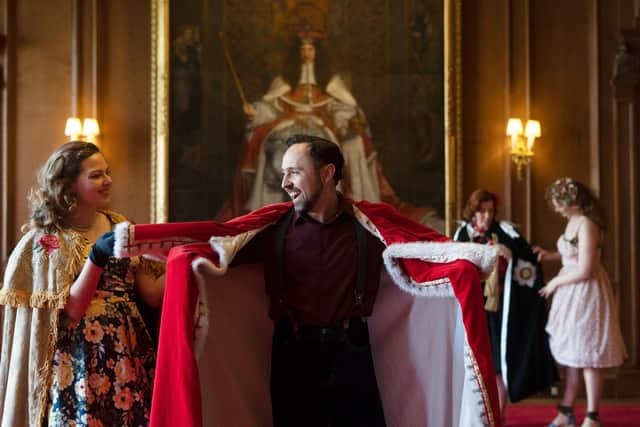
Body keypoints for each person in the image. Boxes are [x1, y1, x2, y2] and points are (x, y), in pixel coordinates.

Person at [114, 134, 502, 427]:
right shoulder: (271, 230)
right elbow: (211, 242)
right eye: (282, 173)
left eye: (294, 172)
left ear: (329, 173)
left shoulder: (369, 226)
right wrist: (140, 242)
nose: (284, 182)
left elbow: (429, 251)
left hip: (352, 351)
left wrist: (472, 265)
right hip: (292, 355)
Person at [0, 142, 165, 426]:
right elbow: (72, 311)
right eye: (96, 175)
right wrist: (97, 256)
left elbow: (151, 294)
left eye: (107, 172)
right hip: (80, 356)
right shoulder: (48, 240)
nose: (108, 180)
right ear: (69, 185)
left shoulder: (120, 225)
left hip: (128, 350)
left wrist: (187, 262)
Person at [223, 36, 440, 229]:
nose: (306, 53)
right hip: (286, 133)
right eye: (303, 49)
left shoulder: (330, 85)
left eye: (310, 49)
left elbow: (347, 109)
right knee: (273, 149)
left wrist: (342, 119)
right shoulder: (283, 84)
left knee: (330, 148)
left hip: (322, 133)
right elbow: (270, 107)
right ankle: (269, 215)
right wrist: (255, 111)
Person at [453, 189, 557, 423]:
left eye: (490, 210)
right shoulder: (462, 233)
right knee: (473, 364)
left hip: (500, 313)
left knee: (498, 366)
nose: (487, 216)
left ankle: (497, 418)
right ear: (473, 210)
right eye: (482, 210)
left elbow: (528, 264)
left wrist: (509, 258)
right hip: (470, 309)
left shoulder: (505, 232)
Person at [533, 177, 627, 427]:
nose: (555, 207)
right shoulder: (572, 222)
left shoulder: (587, 225)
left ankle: (592, 416)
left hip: (586, 293)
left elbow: (585, 268)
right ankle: (566, 411)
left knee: (588, 354)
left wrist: (554, 283)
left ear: (570, 200)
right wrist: (550, 255)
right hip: (571, 294)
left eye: (557, 202)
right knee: (573, 355)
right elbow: (571, 255)